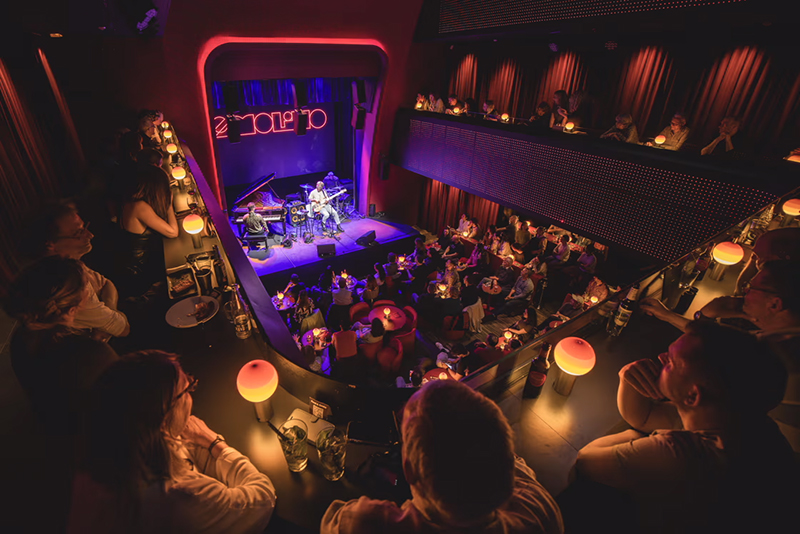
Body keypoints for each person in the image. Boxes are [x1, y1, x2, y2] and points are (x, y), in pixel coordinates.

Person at [573, 321, 792, 533]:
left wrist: (635, 436)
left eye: (671, 362)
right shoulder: (738, 418)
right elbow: (644, 417)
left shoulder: (686, 455)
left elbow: (586, 461)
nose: (661, 358)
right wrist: (626, 376)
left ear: (693, 396)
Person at [68, 350, 276, 533]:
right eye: (187, 389)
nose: (191, 397)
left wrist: (200, 445)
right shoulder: (179, 496)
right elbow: (263, 498)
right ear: (163, 418)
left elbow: (185, 449)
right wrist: (214, 443)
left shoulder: (114, 444)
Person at [321, 379, 563, 534]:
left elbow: (335, 520)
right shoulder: (539, 510)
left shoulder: (365, 523)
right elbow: (508, 461)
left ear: (409, 469)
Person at [643, 261, 800, 452]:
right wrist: (668, 315)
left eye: (751, 288)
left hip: (758, 448)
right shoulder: (786, 337)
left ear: (775, 303)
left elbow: (711, 348)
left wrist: (706, 316)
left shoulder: (780, 352)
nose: (744, 292)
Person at [4, 256, 119, 432]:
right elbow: (125, 400)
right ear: (73, 310)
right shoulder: (94, 354)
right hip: (87, 432)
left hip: (53, 422)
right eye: (87, 286)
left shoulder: (20, 338)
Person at [24, 200, 130, 340]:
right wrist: (111, 317)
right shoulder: (70, 287)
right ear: (50, 244)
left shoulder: (71, 263)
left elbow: (106, 283)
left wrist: (111, 311)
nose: (90, 235)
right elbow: (124, 329)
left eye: (85, 227)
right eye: (79, 232)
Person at [116, 164, 179, 298]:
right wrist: (169, 205)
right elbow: (173, 232)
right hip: (140, 273)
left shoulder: (132, 201)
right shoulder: (139, 207)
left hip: (139, 264)